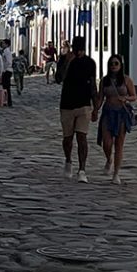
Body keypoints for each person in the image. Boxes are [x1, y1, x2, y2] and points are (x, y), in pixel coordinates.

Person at [59, 35, 97, 184]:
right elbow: (59, 78)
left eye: (81, 50)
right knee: (68, 139)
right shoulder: (65, 60)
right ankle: (68, 160)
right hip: (67, 104)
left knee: (82, 137)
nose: (79, 53)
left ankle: (82, 170)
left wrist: (95, 107)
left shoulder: (90, 63)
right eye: (77, 49)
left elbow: (93, 84)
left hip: (84, 104)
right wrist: (67, 61)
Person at [95, 55, 137, 186]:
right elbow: (101, 97)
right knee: (106, 143)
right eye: (111, 64)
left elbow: (134, 96)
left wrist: (126, 99)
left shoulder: (126, 80)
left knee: (119, 144)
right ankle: (109, 159)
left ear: (120, 66)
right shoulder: (104, 81)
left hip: (121, 113)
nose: (113, 66)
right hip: (108, 112)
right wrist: (95, 110)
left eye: (116, 63)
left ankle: (116, 173)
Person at [0, 40, 14, 107]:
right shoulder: (4, 51)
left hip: (7, 71)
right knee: (4, 87)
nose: (2, 44)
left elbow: (8, 62)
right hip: (6, 70)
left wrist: (4, 70)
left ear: (7, 44)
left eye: (3, 43)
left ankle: (9, 101)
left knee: (6, 87)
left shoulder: (7, 52)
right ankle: (5, 100)